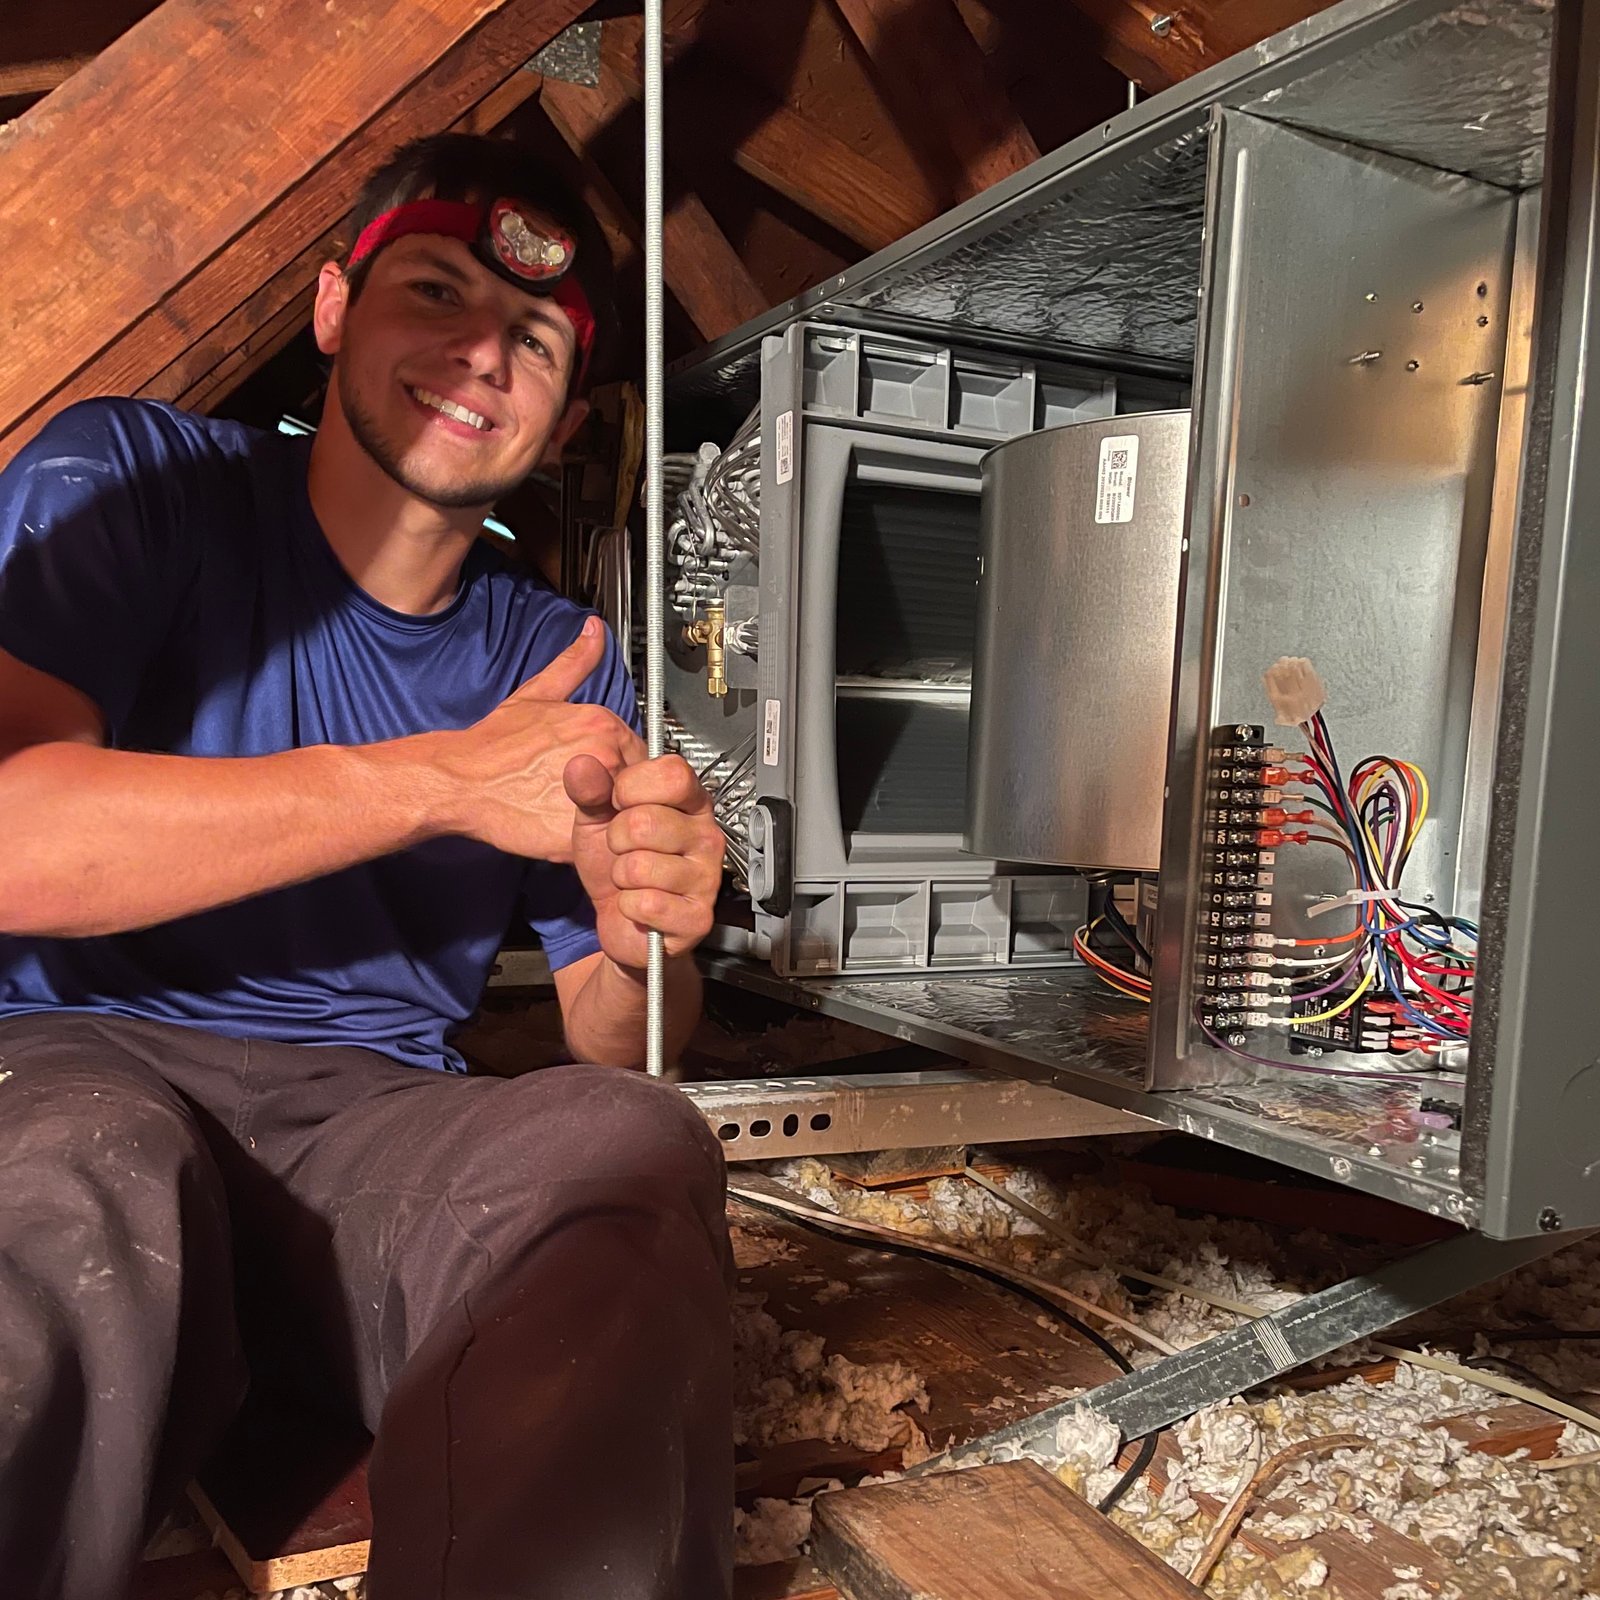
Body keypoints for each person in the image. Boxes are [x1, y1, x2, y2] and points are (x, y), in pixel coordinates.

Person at [0, 134, 734, 1600]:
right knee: (77, 1189)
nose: (479, 355)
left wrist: (650, 938)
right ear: (332, 308)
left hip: (375, 1123)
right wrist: (436, 783)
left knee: (628, 1149)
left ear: (570, 407)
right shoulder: (136, 482)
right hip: (70, 1059)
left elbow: (617, 1034)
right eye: (435, 293)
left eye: (530, 337)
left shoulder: (561, 657)